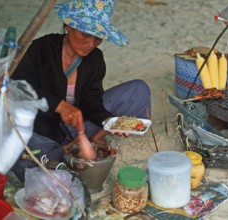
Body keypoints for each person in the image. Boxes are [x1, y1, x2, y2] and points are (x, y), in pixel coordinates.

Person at [11, 0, 151, 182]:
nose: (91, 44)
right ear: (69, 25)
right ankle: (68, 149)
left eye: (98, 38)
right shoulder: (41, 49)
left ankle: (88, 141)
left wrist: (108, 121)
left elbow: (91, 100)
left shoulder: (95, 59)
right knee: (32, 157)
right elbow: (18, 86)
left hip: (75, 127)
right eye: (86, 34)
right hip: (40, 128)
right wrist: (59, 106)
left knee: (138, 90)